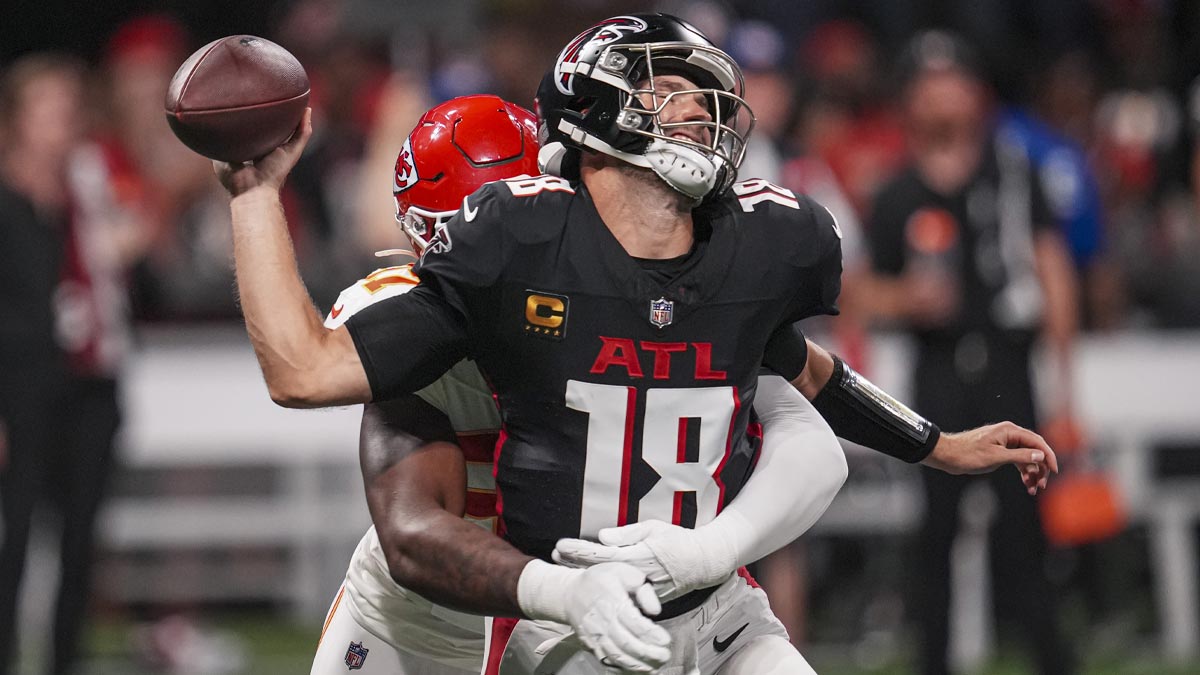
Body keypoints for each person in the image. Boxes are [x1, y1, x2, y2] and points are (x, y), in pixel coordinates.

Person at [215, 14, 1056, 673]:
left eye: (703, 95)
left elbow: (803, 378)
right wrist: (256, 192)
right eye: (670, 94)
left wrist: (935, 443)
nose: (698, 113)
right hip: (525, 600)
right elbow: (389, 494)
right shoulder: (494, 270)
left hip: (701, 602)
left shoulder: (732, 246)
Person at [310, 94, 848, 675]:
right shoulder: (409, 318)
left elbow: (802, 413)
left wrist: (712, 548)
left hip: (586, 604)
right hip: (433, 612)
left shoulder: (628, 294)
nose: (493, 262)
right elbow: (410, 530)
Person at [859, 31, 1079, 675]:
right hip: (937, 371)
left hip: (1010, 368)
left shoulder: (1011, 173)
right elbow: (863, 291)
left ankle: (1052, 660)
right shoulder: (898, 190)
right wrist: (909, 300)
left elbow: (1053, 271)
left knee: (1025, 535)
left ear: (975, 95)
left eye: (952, 83)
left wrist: (1066, 390)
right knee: (936, 536)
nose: (941, 98)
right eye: (928, 87)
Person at [0, 53, 145, 675]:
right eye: (48, 108)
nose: (64, 120)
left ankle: (66, 660)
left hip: (89, 384)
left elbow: (139, 240)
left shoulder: (89, 185)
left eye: (68, 107)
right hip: (20, 391)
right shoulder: (9, 198)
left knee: (81, 540)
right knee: (14, 539)